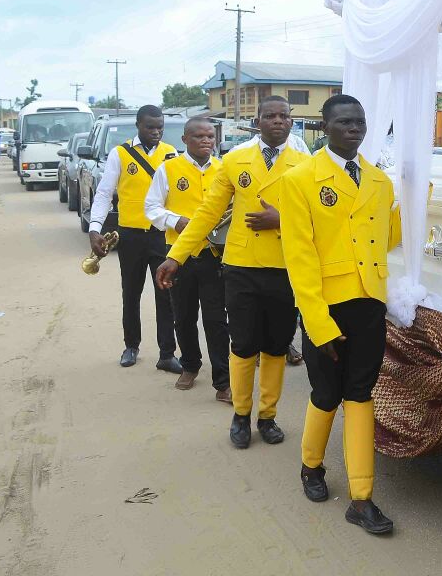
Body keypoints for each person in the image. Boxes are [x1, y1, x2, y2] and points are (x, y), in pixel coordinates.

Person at [157, 97, 309, 449]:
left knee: (276, 345)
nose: (277, 121)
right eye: (269, 116)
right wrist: (176, 255)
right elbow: (208, 213)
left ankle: (267, 415)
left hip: (286, 267)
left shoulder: (306, 165)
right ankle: (241, 413)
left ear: (291, 122)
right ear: (257, 121)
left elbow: (319, 218)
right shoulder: (235, 160)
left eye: (283, 116)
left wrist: (282, 220)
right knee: (242, 344)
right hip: (241, 267)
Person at [280, 94, 401, 536]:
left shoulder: (379, 181)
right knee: (327, 392)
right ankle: (311, 466)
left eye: (360, 122)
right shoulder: (301, 179)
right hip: (325, 307)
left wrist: (415, 202)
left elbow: (385, 239)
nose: (354, 129)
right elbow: (299, 257)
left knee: (360, 394)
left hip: (368, 302)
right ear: (324, 127)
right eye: (345, 122)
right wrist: (317, 323)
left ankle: (361, 497)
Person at [88, 104, 181, 372]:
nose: (156, 132)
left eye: (160, 127)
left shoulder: (171, 153)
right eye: (150, 127)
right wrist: (95, 228)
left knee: (166, 294)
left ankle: (167, 353)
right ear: (138, 125)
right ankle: (131, 346)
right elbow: (104, 193)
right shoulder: (120, 154)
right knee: (131, 292)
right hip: (130, 236)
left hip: (162, 236)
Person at [143, 118, 230, 400]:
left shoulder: (224, 169)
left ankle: (223, 381)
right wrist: (175, 220)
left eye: (210, 136)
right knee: (183, 316)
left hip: (214, 255)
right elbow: (151, 207)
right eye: (199, 136)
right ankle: (190, 365)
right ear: (184, 140)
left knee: (216, 320)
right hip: (179, 256)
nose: (206, 141)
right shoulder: (168, 169)